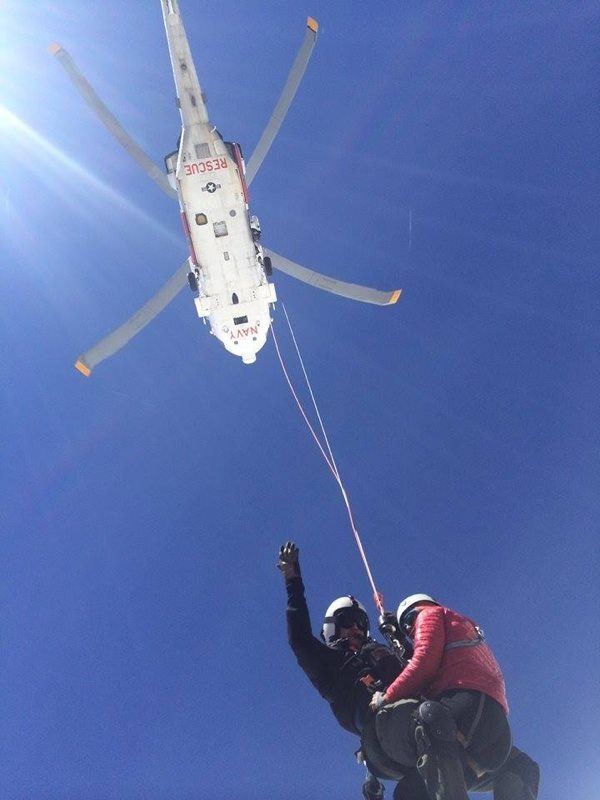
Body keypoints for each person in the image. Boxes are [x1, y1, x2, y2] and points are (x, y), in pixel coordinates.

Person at [278, 541, 420, 799]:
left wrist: (398, 635)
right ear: (333, 628)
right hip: (383, 729)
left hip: (418, 716)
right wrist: (293, 581)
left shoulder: (382, 653)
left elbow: (417, 668)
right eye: (347, 622)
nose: (355, 627)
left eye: (361, 623)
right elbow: (299, 640)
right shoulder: (330, 664)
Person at [366, 594, 539, 800]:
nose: (412, 631)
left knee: (424, 717)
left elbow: (423, 663)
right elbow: (431, 657)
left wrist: (386, 697)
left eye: (409, 624)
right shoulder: (462, 627)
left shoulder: (429, 614)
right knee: (412, 789)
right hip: (495, 730)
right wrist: (397, 637)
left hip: (462, 711)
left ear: (415, 611)